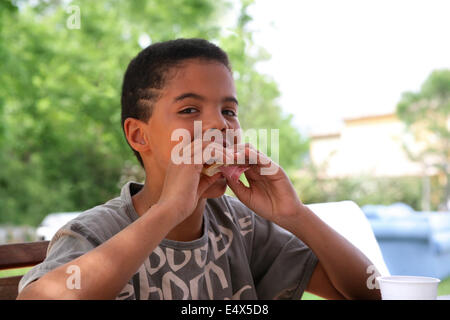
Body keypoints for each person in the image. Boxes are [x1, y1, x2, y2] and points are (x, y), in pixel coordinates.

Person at [17, 38, 381, 300]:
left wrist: (296, 215)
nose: (220, 125)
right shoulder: (96, 232)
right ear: (139, 135)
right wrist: (169, 210)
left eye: (229, 111)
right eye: (190, 110)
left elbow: (371, 293)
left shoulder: (242, 226)